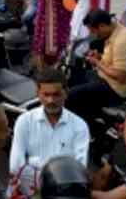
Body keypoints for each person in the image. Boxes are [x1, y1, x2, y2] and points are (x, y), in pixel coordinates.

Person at [9, 68, 89, 197]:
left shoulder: (80, 126)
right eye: (46, 95)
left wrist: (34, 164)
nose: (51, 100)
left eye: (56, 94)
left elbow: (79, 170)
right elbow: (16, 166)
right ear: (38, 94)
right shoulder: (24, 122)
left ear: (66, 93)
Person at [66, 9, 126, 125]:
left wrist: (97, 62)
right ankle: (93, 113)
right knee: (73, 75)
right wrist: (100, 57)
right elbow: (114, 60)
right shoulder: (114, 31)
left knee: (69, 96)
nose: (94, 36)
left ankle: (90, 126)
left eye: (94, 32)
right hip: (106, 78)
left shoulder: (121, 41)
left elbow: (120, 76)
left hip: (116, 89)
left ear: (102, 26)